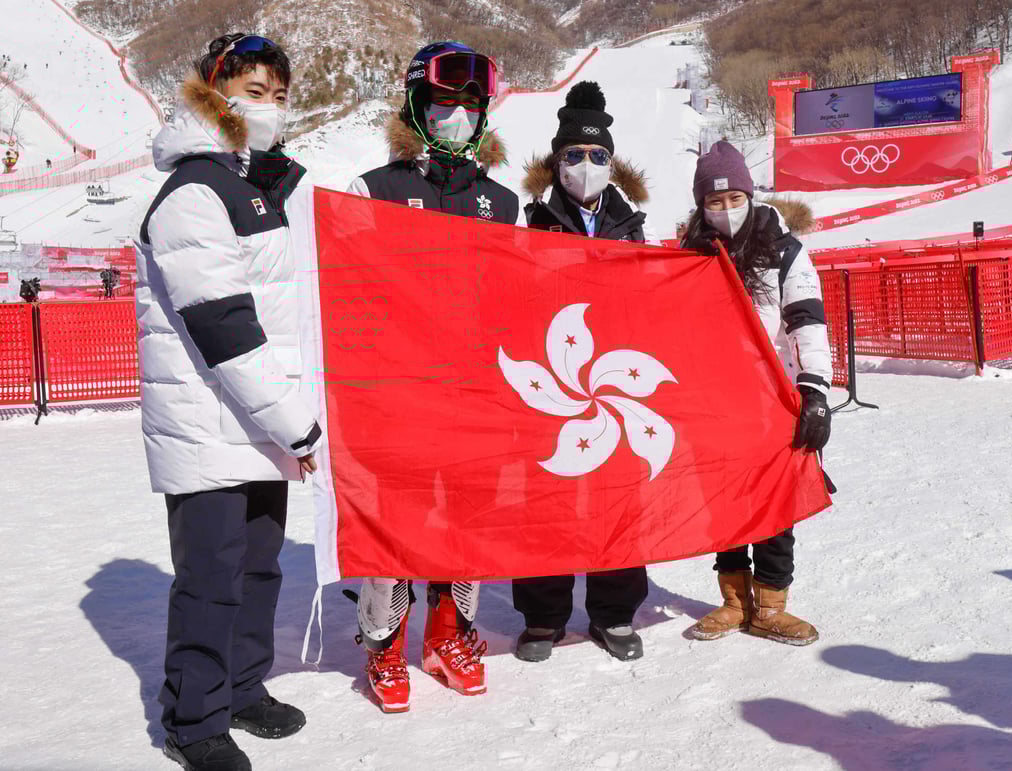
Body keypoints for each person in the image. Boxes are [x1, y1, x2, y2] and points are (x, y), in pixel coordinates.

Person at [135, 33, 319, 771]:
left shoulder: (253, 185)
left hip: (255, 422)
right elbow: (225, 325)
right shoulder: (195, 190)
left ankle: (244, 685)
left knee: (259, 564)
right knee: (211, 576)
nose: (267, 107)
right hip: (209, 420)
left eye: (277, 94)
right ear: (216, 92)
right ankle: (194, 715)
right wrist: (294, 423)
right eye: (252, 90)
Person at [345, 40, 518, 714]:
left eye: (471, 103)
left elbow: (515, 300)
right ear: (416, 101)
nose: (458, 114)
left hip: (474, 396)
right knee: (395, 528)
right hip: (397, 396)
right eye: (445, 100)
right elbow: (347, 298)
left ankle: (451, 631)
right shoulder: (375, 189)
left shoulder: (500, 202)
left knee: (465, 525)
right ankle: (383, 641)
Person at [512, 81, 653, 665]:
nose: (586, 165)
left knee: (617, 495)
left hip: (614, 377)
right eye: (573, 154)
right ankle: (543, 615)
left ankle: (614, 611)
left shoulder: (630, 223)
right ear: (556, 161)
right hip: (550, 372)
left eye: (598, 156)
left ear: (611, 163)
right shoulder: (530, 221)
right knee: (547, 492)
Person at [681, 140, 832, 646]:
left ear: (750, 194)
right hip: (717, 399)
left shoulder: (784, 249)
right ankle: (733, 600)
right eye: (714, 202)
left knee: (774, 502)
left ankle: (770, 604)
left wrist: (814, 389)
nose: (725, 211)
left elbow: (806, 318)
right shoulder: (693, 254)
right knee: (724, 500)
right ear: (702, 205)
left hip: (773, 394)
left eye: (734, 198)